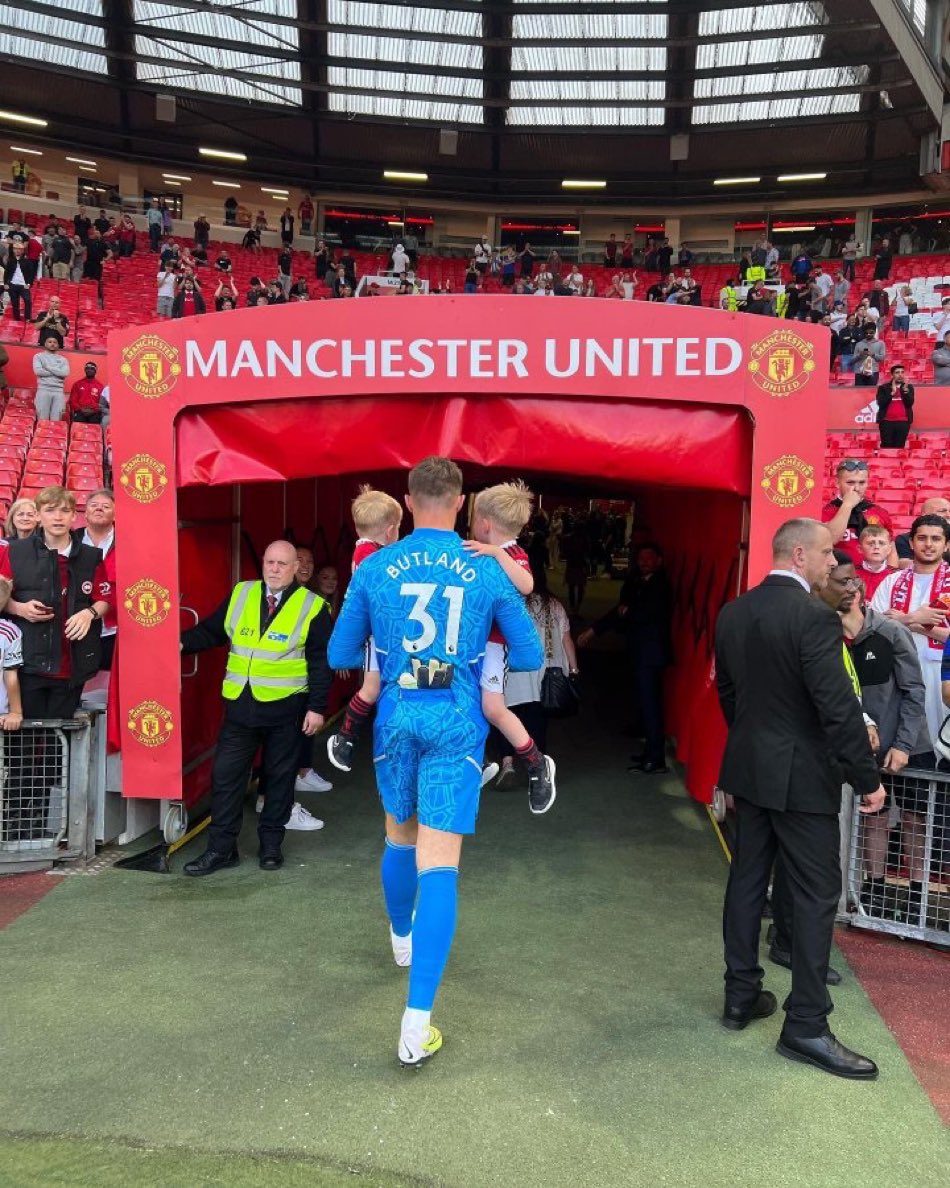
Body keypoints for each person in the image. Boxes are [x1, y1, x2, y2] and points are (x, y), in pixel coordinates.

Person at [327, 456, 543, 1068]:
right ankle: (416, 1024)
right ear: (462, 500)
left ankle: (400, 940)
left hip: (396, 715)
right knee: (440, 863)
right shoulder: (484, 565)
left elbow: (343, 651)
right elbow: (527, 654)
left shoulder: (377, 563)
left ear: (407, 498)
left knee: (398, 835)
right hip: (455, 722)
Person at [715, 518, 884, 1079]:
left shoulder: (734, 611)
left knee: (746, 881)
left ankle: (740, 996)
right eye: (827, 551)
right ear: (798, 553)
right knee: (815, 894)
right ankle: (807, 1025)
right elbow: (837, 709)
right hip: (803, 778)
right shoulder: (814, 616)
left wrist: (755, 746)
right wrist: (868, 781)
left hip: (750, 768)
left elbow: (732, 697)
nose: (832, 562)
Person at [181, 541, 334, 875]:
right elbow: (210, 632)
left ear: (296, 568)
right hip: (240, 707)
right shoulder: (242, 593)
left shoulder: (313, 606)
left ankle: (270, 847)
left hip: (287, 711)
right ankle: (221, 850)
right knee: (225, 779)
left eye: (282, 563)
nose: (275, 569)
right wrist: (178, 642)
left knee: (279, 780)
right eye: (269, 562)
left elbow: (321, 662)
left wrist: (317, 708)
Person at [463, 483, 556, 812]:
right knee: (463, 702)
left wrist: (497, 553)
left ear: (484, 523)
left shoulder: (513, 552)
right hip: (468, 644)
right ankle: (478, 762)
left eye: (474, 519)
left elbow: (527, 584)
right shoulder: (476, 550)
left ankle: (535, 764)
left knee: (493, 708)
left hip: (492, 646)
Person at [842, 575, 929, 919]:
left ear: (861, 595)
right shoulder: (828, 638)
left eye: (850, 588)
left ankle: (918, 898)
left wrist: (904, 744)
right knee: (873, 818)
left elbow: (914, 690)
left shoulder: (893, 632)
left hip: (908, 745)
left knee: (914, 820)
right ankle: (874, 891)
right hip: (866, 749)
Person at [0, 486, 112, 721]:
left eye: (65, 511)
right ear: (39, 515)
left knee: (61, 741)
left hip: (72, 663)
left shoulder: (90, 556)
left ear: (74, 516)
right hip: (26, 662)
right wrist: (18, 608)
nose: (58, 517)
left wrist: (88, 613)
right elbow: (2, 597)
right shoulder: (15, 552)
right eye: (50, 511)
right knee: (25, 741)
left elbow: (104, 599)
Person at [577, 541, 673, 774]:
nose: (644, 562)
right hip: (639, 650)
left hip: (651, 654)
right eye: (641, 558)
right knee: (644, 702)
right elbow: (620, 610)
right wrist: (594, 630)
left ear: (659, 561)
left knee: (651, 706)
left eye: (649, 558)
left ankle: (655, 758)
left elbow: (645, 613)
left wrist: (628, 612)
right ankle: (649, 750)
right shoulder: (636, 581)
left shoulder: (661, 585)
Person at [326, 486, 404, 773]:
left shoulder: (367, 550)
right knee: (372, 689)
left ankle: (349, 739)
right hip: (379, 635)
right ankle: (344, 738)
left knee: (379, 689)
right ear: (390, 530)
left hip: (383, 634)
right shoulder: (369, 555)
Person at [821, 459, 893, 565]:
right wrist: (847, 505)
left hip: (872, 574)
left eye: (862, 482)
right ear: (837, 483)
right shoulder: (826, 512)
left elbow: (891, 549)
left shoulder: (880, 512)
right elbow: (830, 539)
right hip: (838, 575)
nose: (856, 488)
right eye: (850, 482)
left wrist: (891, 574)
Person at [875, 364, 914, 449]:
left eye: (902, 372)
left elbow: (909, 403)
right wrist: (892, 393)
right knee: (886, 446)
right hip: (886, 422)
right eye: (897, 373)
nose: (900, 375)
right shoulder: (883, 388)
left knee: (900, 447)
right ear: (892, 375)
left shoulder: (908, 387)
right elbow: (880, 403)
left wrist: (905, 391)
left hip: (903, 422)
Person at [32, 335, 69, 421]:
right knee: (42, 420)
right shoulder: (38, 356)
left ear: (58, 345)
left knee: (56, 421)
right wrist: (57, 372)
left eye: (55, 342)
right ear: (45, 344)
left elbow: (64, 373)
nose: (52, 344)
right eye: (50, 342)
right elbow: (38, 372)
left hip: (58, 392)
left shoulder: (64, 360)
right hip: (43, 390)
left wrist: (48, 367)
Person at [856, 524, 897, 600]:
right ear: (860, 548)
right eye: (870, 543)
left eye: (881, 543)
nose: (876, 547)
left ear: (889, 549)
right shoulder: (852, 574)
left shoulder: (896, 576)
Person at [3, 241, 37, 321]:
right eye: (15, 249)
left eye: (19, 249)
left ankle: (27, 318)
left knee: (28, 301)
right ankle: (16, 318)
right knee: (15, 303)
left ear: (22, 251)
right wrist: (6, 283)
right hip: (13, 284)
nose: (17, 251)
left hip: (23, 285)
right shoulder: (10, 260)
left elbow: (31, 274)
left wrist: (29, 283)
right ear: (13, 250)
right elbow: (6, 273)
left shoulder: (27, 261)